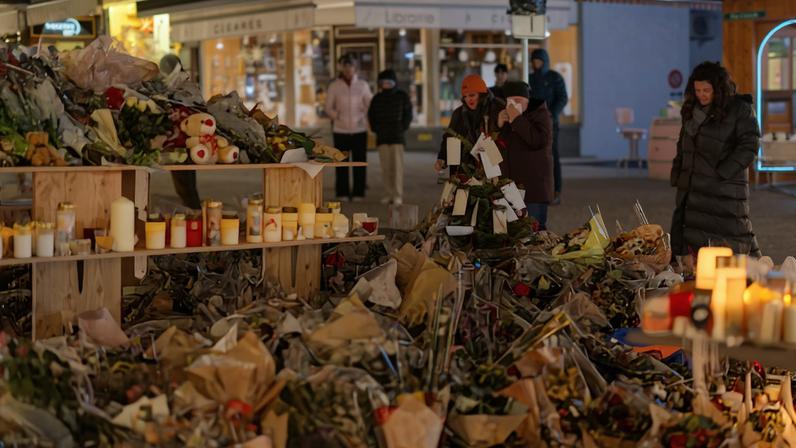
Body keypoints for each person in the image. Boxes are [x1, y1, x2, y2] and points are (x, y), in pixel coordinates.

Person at [670, 61, 761, 258]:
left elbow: (750, 145)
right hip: (693, 189)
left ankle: (751, 278)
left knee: (734, 238)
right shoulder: (691, 110)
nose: (701, 94)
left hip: (724, 191)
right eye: (697, 90)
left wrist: (723, 173)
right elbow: (683, 144)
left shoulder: (739, 109)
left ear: (718, 89)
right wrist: (679, 172)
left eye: (706, 90)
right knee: (694, 239)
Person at [497, 81, 553, 229]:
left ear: (527, 101)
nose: (513, 105)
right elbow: (496, 150)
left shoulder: (541, 115)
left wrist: (517, 119)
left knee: (534, 232)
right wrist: (498, 127)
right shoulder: (509, 119)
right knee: (514, 234)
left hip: (533, 190)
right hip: (511, 190)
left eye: (518, 101)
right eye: (510, 101)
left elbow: (537, 141)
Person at [435, 74, 505, 173]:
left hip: (494, 169)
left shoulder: (497, 108)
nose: (469, 99)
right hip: (464, 171)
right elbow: (449, 137)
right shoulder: (459, 113)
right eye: (465, 96)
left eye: (472, 95)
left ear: (481, 94)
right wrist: (442, 158)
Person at [326, 55, 373, 201]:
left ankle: (359, 192)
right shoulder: (334, 86)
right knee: (341, 162)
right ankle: (342, 192)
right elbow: (328, 107)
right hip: (340, 130)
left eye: (350, 66)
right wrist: (337, 116)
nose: (348, 69)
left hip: (359, 130)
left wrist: (363, 115)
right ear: (341, 68)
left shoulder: (363, 85)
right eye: (345, 66)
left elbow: (370, 104)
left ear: (355, 68)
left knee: (359, 162)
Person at [159, 54, 202, 210]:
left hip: (186, 141)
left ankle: (195, 213)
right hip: (179, 141)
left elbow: (196, 108)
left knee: (186, 184)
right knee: (184, 184)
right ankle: (194, 211)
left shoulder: (185, 84)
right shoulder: (177, 84)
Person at [368, 69, 413, 205]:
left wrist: (402, 128)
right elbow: (371, 116)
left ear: (395, 82)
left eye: (389, 82)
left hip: (397, 137)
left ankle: (397, 195)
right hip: (382, 138)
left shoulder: (402, 96)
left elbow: (408, 115)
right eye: (384, 82)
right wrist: (376, 129)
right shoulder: (377, 98)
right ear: (380, 83)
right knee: (385, 168)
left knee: (398, 168)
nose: (386, 84)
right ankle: (388, 194)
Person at [528, 48, 567, 205]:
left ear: (545, 61)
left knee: (553, 157)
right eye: (534, 61)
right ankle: (538, 191)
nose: (537, 63)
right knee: (535, 158)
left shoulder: (554, 77)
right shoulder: (529, 78)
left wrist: (552, 114)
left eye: (539, 60)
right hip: (533, 124)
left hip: (551, 124)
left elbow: (562, 97)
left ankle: (556, 191)